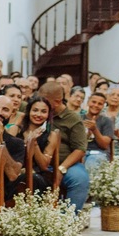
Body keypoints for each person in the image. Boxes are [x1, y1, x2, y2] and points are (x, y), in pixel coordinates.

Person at [40, 81, 89, 213]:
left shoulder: (72, 118)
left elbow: (80, 149)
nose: (41, 103)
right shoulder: (39, 113)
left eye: (45, 101)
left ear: (57, 101)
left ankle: (68, 219)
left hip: (66, 164)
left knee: (79, 179)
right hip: (39, 162)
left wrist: (61, 169)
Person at [0, 95, 26, 203]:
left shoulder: (17, 143)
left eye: (5, 109)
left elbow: (13, 175)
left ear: (12, 114)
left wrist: (0, 143)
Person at [21, 97, 56, 194]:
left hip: (38, 176)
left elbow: (44, 166)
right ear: (29, 111)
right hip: (16, 173)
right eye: (35, 110)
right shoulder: (17, 130)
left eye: (43, 111)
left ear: (48, 115)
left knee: (35, 179)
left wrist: (34, 143)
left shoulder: (51, 135)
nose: (39, 114)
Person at [83, 92, 116, 173]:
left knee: (91, 164)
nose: (96, 105)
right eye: (93, 102)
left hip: (99, 153)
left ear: (103, 106)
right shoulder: (79, 118)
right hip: (80, 152)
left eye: (100, 104)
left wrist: (94, 129)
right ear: (88, 102)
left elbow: (104, 145)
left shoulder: (107, 121)